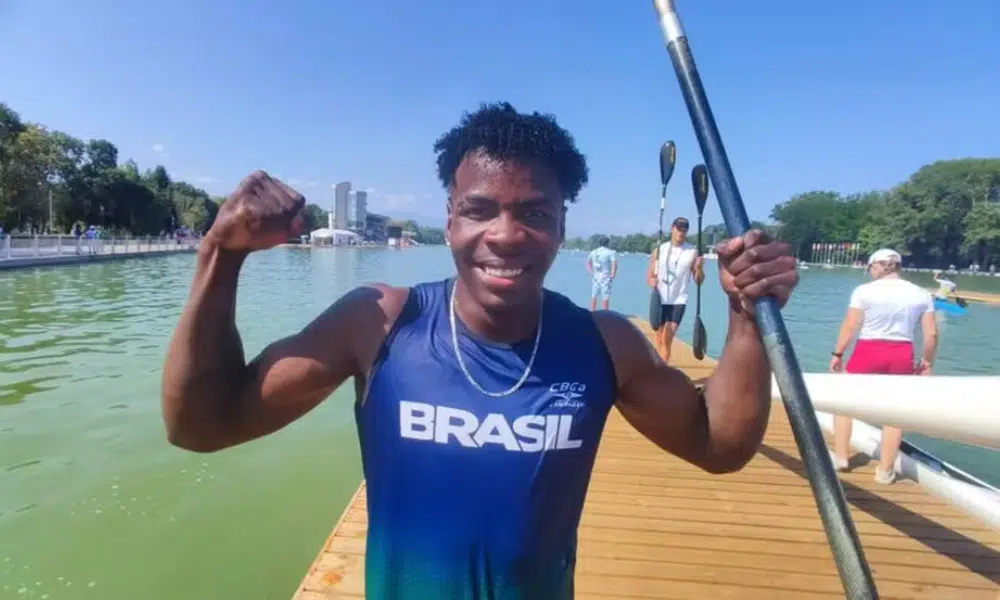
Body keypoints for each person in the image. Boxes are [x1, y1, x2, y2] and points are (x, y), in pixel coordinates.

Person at [161, 102, 799, 599]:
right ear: (450, 222)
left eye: (535, 214)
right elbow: (201, 425)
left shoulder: (604, 343)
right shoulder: (379, 323)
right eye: (479, 210)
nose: (505, 234)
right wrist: (220, 254)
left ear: (562, 228)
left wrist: (746, 317)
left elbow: (718, 445)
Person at [829, 248, 937, 485]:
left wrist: (838, 353)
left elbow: (850, 325)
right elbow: (931, 335)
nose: (870, 272)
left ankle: (841, 458)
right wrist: (927, 362)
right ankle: (885, 471)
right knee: (894, 414)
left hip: (868, 349)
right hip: (901, 352)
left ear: (877, 266)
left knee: (844, 404)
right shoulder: (921, 294)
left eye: (870, 268)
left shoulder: (864, 291)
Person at [645, 217, 704, 364]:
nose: (681, 232)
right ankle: (660, 364)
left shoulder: (692, 252)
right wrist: (652, 282)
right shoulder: (659, 250)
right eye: (679, 229)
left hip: (679, 300)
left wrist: (699, 268)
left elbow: (699, 281)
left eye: (684, 230)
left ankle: (661, 371)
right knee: (659, 337)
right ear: (672, 228)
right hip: (660, 298)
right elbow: (649, 277)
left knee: (667, 337)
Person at [585, 235, 617, 310]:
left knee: (594, 295)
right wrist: (613, 274)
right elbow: (614, 264)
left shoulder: (594, 252)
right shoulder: (610, 252)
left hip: (595, 276)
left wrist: (591, 272)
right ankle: (605, 313)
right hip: (605, 277)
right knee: (605, 296)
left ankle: (592, 311)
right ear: (607, 243)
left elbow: (587, 262)